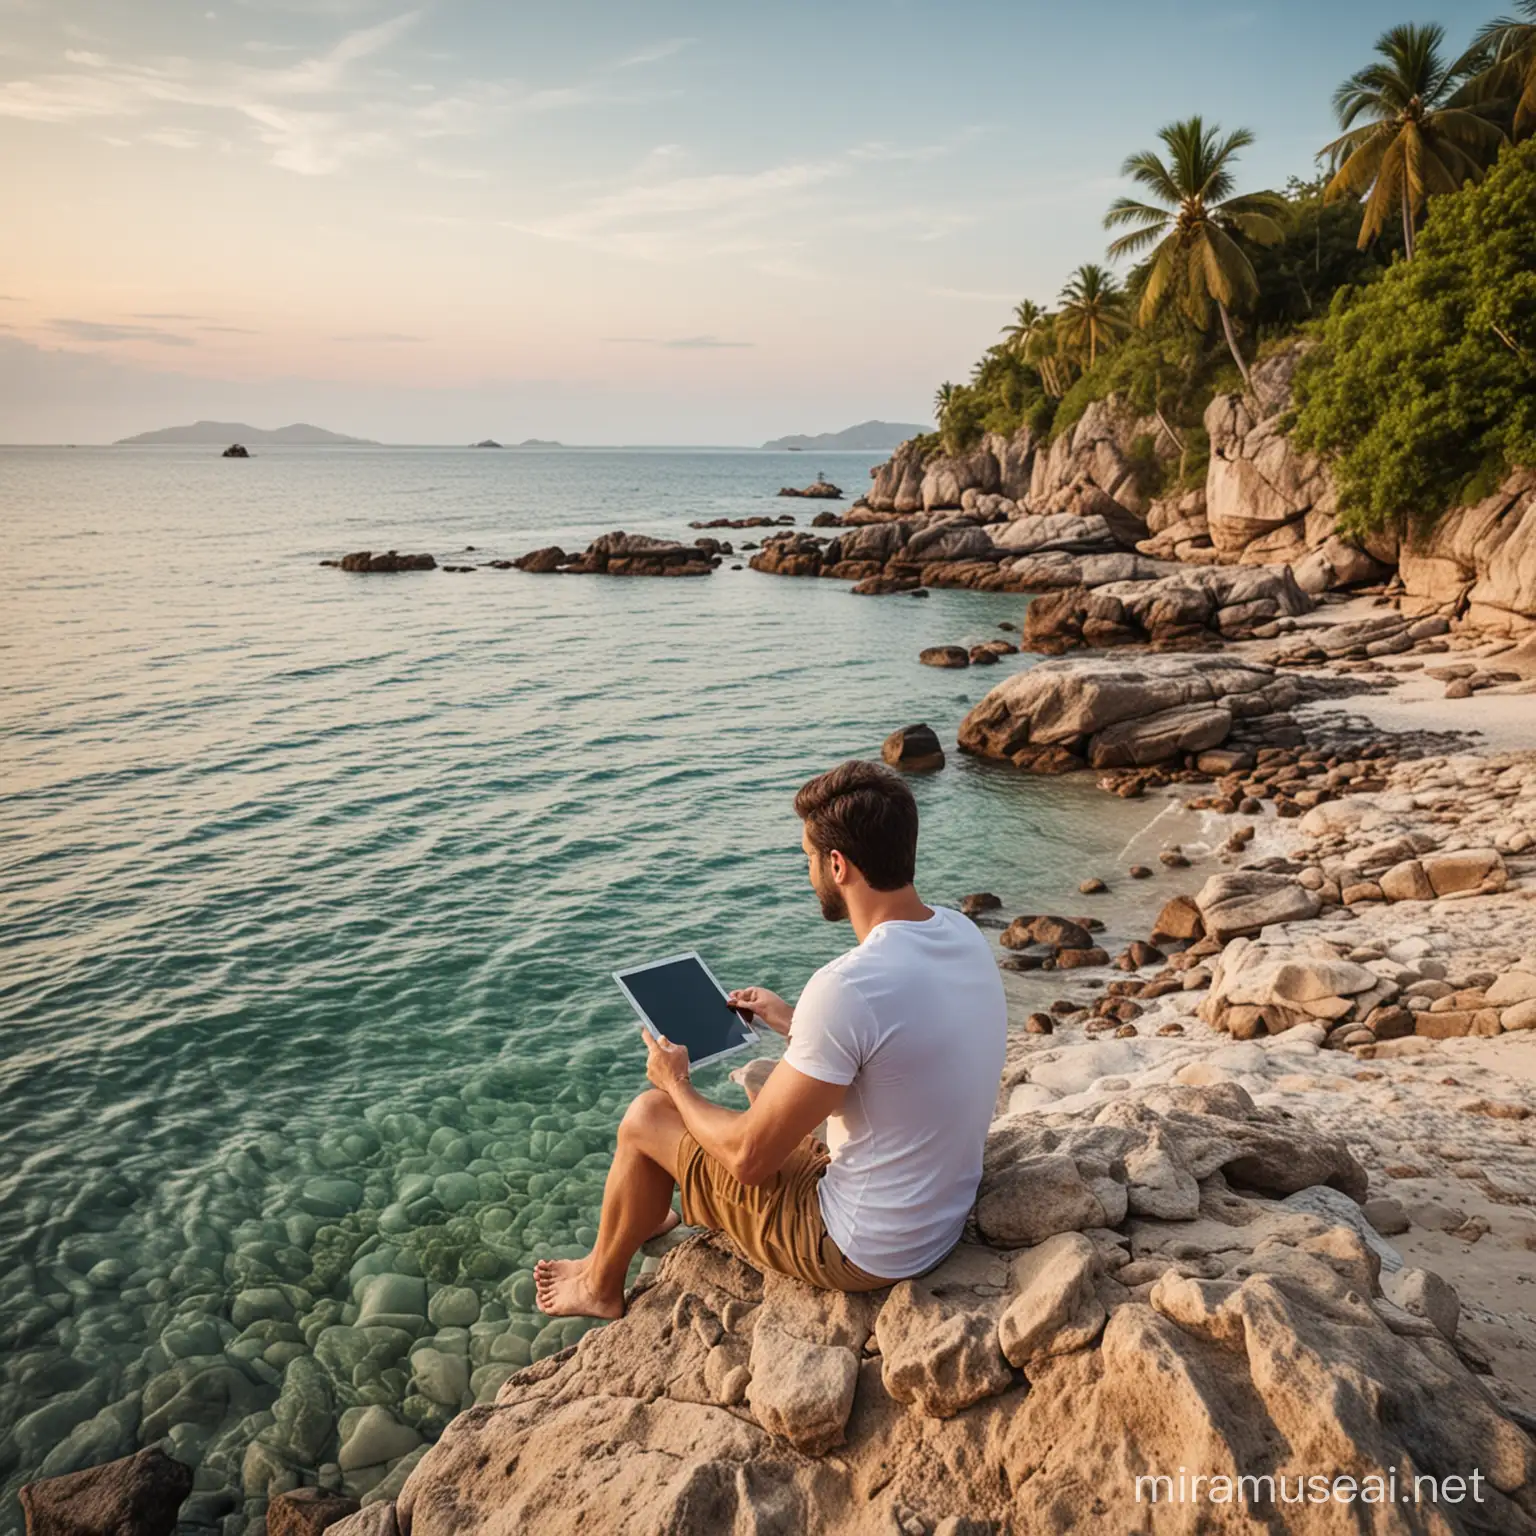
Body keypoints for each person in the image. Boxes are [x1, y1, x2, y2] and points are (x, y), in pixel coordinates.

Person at [534, 759, 1007, 1319]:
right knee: (753, 1095)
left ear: (837, 865)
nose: (806, 871)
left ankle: (600, 1287)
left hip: (862, 1248)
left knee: (648, 1115)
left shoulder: (847, 985)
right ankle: (654, 1201)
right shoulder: (960, 932)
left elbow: (747, 1161)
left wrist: (677, 1083)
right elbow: (898, 1037)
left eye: (808, 857)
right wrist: (795, 1022)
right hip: (938, 1215)